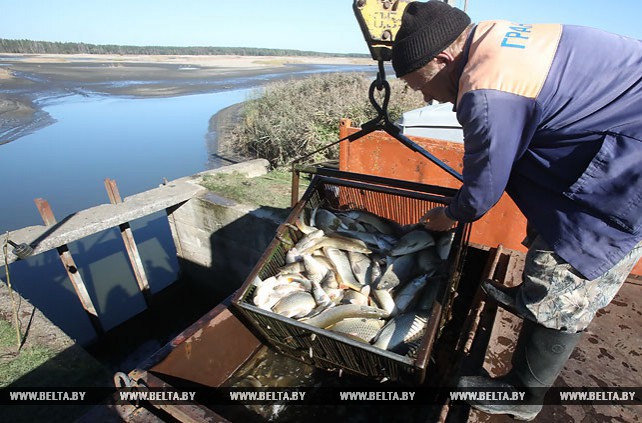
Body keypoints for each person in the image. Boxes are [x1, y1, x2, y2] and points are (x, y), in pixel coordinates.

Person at [391, 1, 642, 420]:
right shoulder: (492, 35)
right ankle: (530, 298)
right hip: (609, 130)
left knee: (567, 280)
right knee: (550, 227)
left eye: (418, 84)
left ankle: (524, 395)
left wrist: (446, 216)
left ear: (443, 58)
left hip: (627, 165)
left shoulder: (488, 89)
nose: (422, 96)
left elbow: (482, 191)